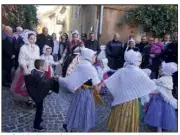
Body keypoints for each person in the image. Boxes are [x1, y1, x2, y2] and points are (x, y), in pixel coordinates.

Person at [103, 50, 156, 132]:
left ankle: (118, 130)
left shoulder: (122, 70)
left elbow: (110, 82)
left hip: (120, 99)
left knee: (119, 118)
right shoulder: (139, 72)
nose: (140, 62)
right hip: (132, 101)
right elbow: (150, 86)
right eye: (139, 60)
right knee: (130, 119)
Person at [59, 48, 102, 132]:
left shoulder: (79, 65)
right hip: (87, 94)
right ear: (89, 57)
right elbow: (97, 88)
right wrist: (102, 83)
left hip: (78, 93)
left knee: (75, 109)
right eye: (94, 56)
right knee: (86, 111)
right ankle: (82, 128)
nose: (95, 58)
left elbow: (71, 80)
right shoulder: (91, 68)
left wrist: (60, 79)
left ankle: (68, 125)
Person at [24, 59, 59, 131]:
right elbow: (44, 84)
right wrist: (52, 79)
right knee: (39, 109)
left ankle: (39, 118)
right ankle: (36, 125)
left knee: (40, 107)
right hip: (38, 95)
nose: (46, 66)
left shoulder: (34, 71)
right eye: (44, 65)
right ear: (41, 67)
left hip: (35, 93)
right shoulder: (41, 75)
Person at [144, 62, 177, 132]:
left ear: (165, 72)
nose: (159, 71)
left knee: (158, 118)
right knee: (165, 117)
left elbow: (160, 90)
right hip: (165, 102)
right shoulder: (169, 78)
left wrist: (148, 91)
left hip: (159, 102)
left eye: (161, 70)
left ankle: (160, 131)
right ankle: (164, 129)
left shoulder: (163, 79)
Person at [11, 31, 40, 105]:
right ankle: (27, 99)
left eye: (34, 38)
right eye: (31, 39)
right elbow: (21, 59)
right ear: (27, 39)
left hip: (34, 68)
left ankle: (32, 98)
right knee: (25, 85)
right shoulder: (23, 48)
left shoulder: (37, 47)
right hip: (25, 68)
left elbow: (38, 58)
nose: (33, 40)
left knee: (34, 84)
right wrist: (26, 69)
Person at [161, 32, 178, 99]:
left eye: (177, 37)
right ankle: (172, 97)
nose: (175, 38)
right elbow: (163, 53)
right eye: (174, 37)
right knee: (172, 83)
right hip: (171, 68)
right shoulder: (170, 45)